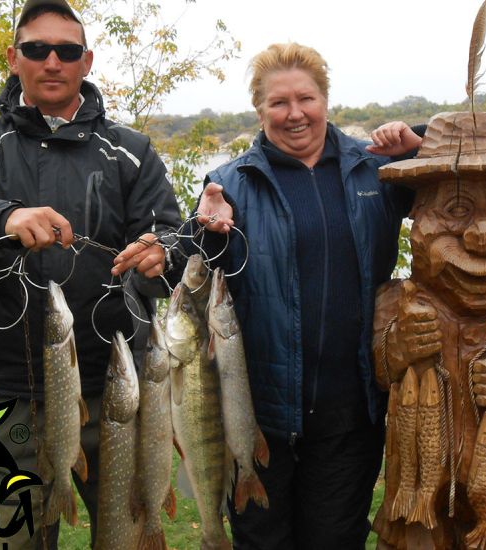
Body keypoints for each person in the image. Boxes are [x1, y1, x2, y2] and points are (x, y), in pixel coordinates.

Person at [0, 0, 182, 547]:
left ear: (87, 61)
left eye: (67, 50)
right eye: (36, 49)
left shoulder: (130, 152)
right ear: (14, 58)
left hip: (117, 390)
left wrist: (161, 256)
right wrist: (2, 216)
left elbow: (171, 243)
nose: (52, 61)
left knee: (127, 535)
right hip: (11, 395)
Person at [192, 42, 424, 550]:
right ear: (260, 110)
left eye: (306, 99)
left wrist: (419, 143)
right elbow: (191, 280)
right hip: (257, 422)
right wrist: (204, 230)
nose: (294, 113)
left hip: (349, 416)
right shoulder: (230, 183)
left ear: (325, 100)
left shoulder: (376, 170)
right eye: (279, 103)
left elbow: (463, 176)